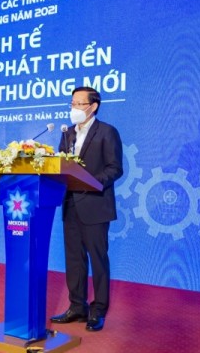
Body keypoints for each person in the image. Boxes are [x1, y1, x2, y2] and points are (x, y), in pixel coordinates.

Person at [50, 86, 123, 332]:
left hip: (95, 205)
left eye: (79, 104)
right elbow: (62, 166)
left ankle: (98, 310)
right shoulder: (68, 133)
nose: (74, 108)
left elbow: (115, 168)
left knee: (98, 259)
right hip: (71, 204)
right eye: (72, 103)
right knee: (74, 259)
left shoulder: (107, 132)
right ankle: (77, 307)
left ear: (93, 106)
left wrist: (92, 182)